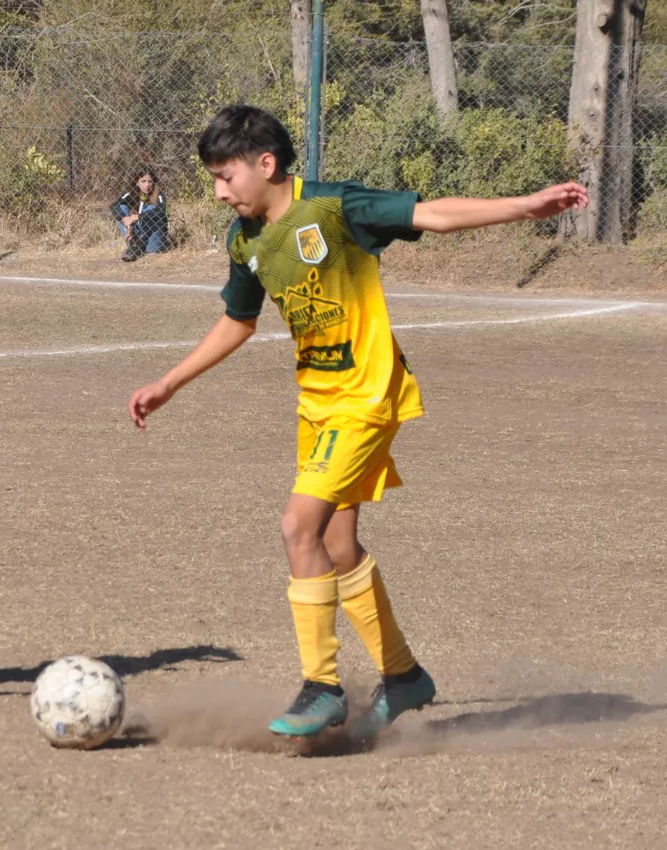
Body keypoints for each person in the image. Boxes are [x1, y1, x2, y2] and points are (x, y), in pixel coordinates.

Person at [127, 104, 588, 739]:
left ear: (266, 164)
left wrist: (522, 205)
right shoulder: (247, 240)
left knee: (297, 527)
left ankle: (322, 686)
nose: (217, 190)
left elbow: (429, 213)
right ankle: (403, 678)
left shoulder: (334, 209)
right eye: (212, 178)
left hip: (366, 397)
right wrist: (169, 382)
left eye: (225, 175)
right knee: (336, 544)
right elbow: (238, 320)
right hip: (316, 405)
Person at [110, 166, 168, 262]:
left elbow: (160, 211)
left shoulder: (159, 194)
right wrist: (126, 221)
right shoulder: (132, 193)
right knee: (122, 207)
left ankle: (135, 247)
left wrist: (137, 217)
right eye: (143, 181)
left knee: (151, 208)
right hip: (134, 235)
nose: (147, 185)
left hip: (153, 242)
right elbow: (114, 205)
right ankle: (134, 246)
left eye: (150, 181)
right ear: (137, 182)